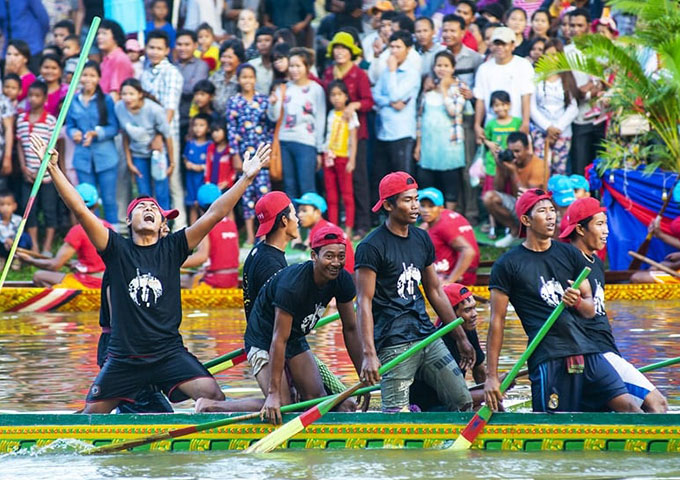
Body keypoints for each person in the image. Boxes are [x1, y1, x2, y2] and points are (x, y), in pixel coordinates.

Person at [30, 131, 272, 413]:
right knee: (88, 418)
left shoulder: (174, 247)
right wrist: (54, 169)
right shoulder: (115, 248)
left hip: (168, 354)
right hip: (124, 359)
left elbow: (214, 214)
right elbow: (81, 210)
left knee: (213, 396)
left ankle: (189, 415)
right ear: (128, 221)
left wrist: (246, 179)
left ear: (161, 226)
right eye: (141, 207)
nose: (148, 209)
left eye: (154, 209)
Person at [484, 188, 641, 413]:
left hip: (587, 351)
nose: (551, 216)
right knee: (552, 427)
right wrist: (491, 377)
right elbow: (496, 322)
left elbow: (589, 309)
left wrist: (576, 302)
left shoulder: (570, 255)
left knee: (629, 407)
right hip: (549, 355)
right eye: (542, 211)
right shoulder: (508, 264)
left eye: (552, 210)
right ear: (526, 220)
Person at [355, 171, 475, 413]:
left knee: (463, 402)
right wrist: (368, 355)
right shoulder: (371, 247)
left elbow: (435, 291)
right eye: (407, 200)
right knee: (396, 416)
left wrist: (460, 337)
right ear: (388, 205)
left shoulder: (421, 238)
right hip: (392, 344)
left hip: (427, 337)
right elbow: (363, 303)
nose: (415, 206)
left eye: (415, 199)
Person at [243, 224, 363, 424]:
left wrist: (362, 377)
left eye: (341, 256)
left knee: (316, 401)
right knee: (282, 406)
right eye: (329, 256)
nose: (336, 263)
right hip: (265, 338)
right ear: (314, 256)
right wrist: (273, 394)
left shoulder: (342, 280)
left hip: (294, 337)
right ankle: (210, 406)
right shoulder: (293, 285)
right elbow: (278, 340)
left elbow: (350, 328)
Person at [560, 197, 668, 412]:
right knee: (658, 403)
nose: (606, 231)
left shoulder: (596, 263)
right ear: (580, 230)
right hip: (595, 353)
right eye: (600, 224)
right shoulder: (567, 261)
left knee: (634, 409)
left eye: (606, 224)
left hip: (607, 351)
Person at [321, 31, 374, 239]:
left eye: (344, 48)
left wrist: (354, 104)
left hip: (355, 134)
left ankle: (362, 223)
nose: (340, 52)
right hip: (333, 136)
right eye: (337, 48)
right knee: (333, 187)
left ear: (352, 52)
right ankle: (335, 224)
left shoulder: (359, 74)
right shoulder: (328, 73)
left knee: (358, 180)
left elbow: (369, 101)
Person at [409, 283, 487, 411]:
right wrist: (493, 392)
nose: (475, 314)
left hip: (455, 398)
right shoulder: (436, 341)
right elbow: (455, 398)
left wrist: (496, 407)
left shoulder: (469, 332)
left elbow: (479, 372)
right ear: (451, 314)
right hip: (429, 406)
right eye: (467, 310)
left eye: (474, 308)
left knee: (482, 406)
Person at [17, 183, 111, 288]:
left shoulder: (78, 231)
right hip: (108, 280)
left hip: (90, 282)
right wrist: (80, 264)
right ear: (96, 205)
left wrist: (30, 260)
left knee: (38, 276)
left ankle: (66, 302)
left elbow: (55, 265)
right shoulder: (108, 226)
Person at [141, 29, 186, 230]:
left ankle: (180, 227)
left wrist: (160, 135)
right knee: (153, 183)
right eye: (151, 47)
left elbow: (169, 109)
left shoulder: (172, 73)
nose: (154, 51)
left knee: (172, 181)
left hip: (167, 136)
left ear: (167, 50)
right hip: (146, 138)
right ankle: (154, 225)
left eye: (159, 48)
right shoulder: (145, 71)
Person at [267, 47, 326, 199]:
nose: (294, 70)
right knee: (289, 186)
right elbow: (274, 117)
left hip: (306, 142)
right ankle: (293, 221)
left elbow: (320, 119)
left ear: (307, 67)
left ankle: (311, 221)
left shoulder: (316, 89)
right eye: (292, 66)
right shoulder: (283, 88)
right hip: (284, 142)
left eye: (298, 66)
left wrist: (319, 149)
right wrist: (272, 104)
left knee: (307, 185)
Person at [66, 61, 120, 225]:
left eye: (92, 75)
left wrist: (97, 133)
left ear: (98, 78)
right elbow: (69, 125)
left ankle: (114, 233)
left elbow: (114, 127)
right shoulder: (73, 100)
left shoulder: (107, 100)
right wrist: (73, 132)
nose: (87, 79)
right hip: (83, 157)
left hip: (106, 157)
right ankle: (90, 236)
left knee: (109, 198)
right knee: (86, 199)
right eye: (84, 75)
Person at [227, 63, 273, 245]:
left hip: (261, 153)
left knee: (263, 193)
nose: (247, 80)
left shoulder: (263, 100)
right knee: (245, 194)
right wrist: (235, 155)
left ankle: (263, 234)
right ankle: (249, 233)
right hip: (245, 154)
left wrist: (269, 153)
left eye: (250, 77)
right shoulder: (234, 101)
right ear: (238, 80)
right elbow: (231, 130)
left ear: (255, 79)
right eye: (243, 77)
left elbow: (269, 128)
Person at [414, 50, 466, 210]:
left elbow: (454, 111)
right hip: (429, 146)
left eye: (446, 65)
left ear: (453, 68)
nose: (442, 69)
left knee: (450, 183)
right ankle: (428, 217)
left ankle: (448, 219)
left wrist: (444, 89)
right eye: (438, 65)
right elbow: (420, 118)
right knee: (426, 181)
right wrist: (418, 144)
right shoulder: (428, 89)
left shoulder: (459, 88)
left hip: (449, 147)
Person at [371, 30, 421, 193]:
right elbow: (376, 95)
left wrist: (392, 72)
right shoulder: (386, 72)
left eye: (398, 47)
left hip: (402, 133)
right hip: (383, 131)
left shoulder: (411, 73)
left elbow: (395, 94)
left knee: (403, 180)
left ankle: (410, 216)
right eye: (391, 46)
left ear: (408, 49)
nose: (393, 51)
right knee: (382, 177)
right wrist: (390, 103)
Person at [115, 78, 174, 210]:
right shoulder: (119, 108)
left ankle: (165, 224)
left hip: (157, 155)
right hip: (137, 155)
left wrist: (171, 163)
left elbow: (167, 136)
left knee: (161, 191)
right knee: (144, 194)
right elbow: (125, 135)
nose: (127, 98)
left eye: (131, 94)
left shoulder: (154, 110)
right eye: (124, 94)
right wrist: (130, 162)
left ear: (140, 94)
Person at [242, 191, 299, 320]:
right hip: (269, 339)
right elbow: (277, 317)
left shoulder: (258, 250)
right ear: (284, 220)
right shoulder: (270, 265)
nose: (297, 220)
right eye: (294, 214)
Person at [483, 131, 546, 248]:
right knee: (489, 198)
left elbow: (529, 198)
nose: (514, 155)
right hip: (516, 204)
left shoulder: (538, 164)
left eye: (517, 151)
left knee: (526, 197)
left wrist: (513, 172)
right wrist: (500, 167)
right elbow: (498, 188)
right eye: (511, 151)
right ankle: (514, 230)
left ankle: (531, 235)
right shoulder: (510, 161)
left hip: (536, 208)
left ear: (527, 148)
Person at [16, 81, 58, 256]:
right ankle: (34, 246)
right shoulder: (21, 119)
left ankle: (47, 247)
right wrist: (24, 167)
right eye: (30, 96)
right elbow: (20, 145)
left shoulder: (49, 120)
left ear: (45, 98)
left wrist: (46, 168)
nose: (33, 99)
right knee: (29, 210)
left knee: (49, 210)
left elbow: (53, 145)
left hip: (46, 175)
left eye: (37, 96)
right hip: (29, 174)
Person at [473, 26, 534, 144]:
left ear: (512, 45)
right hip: (492, 126)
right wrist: (477, 124)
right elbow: (480, 99)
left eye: (504, 44)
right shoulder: (484, 69)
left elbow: (526, 95)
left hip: (516, 123)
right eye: (497, 44)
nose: (500, 48)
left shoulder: (523, 65)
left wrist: (525, 122)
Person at [530, 39, 579, 175]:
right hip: (541, 131)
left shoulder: (567, 78)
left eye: (554, 55)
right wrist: (547, 127)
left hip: (562, 132)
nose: (550, 59)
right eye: (547, 55)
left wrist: (557, 128)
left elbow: (573, 107)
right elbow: (532, 107)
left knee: (559, 170)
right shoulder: (536, 77)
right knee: (541, 170)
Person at [181, 183, 240, 289]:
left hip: (214, 281)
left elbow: (202, 257)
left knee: (181, 280)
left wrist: (175, 262)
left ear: (197, 205)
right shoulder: (231, 223)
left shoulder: (205, 226)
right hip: (233, 280)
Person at [418, 187, 479, 286]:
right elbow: (425, 227)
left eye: (431, 206)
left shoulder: (444, 226)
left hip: (460, 278)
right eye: (423, 206)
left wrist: (450, 281)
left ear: (441, 208)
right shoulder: (440, 217)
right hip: (459, 271)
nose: (426, 210)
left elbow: (468, 251)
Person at [323, 79, 357, 236]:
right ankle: (332, 227)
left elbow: (353, 138)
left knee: (347, 194)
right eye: (333, 95)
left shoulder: (351, 114)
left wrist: (352, 160)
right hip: (329, 157)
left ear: (346, 97)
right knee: (331, 194)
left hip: (344, 158)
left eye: (339, 94)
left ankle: (348, 229)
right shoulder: (330, 114)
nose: (336, 98)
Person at [295, 192, 355, 273]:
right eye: (299, 211)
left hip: (340, 276)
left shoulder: (320, 231)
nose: (300, 215)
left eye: (304, 211)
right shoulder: (323, 226)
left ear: (318, 213)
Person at [176, 29, 210, 152]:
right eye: (179, 44)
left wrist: (175, 87)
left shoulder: (201, 65)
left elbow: (193, 89)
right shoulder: (173, 66)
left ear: (195, 46)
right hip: (174, 120)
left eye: (187, 45)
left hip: (193, 122)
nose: (182, 48)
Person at [183, 114, 211, 225]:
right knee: (192, 206)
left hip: (202, 181)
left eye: (201, 125)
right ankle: (191, 232)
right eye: (195, 125)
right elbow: (185, 158)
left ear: (208, 128)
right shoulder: (190, 143)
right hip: (191, 181)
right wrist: (187, 164)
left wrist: (201, 167)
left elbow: (211, 164)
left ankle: (204, 233)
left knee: (203, 206)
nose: (198, 128)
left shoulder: (209, 145)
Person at [97, 19, 135, 102]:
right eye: (98, 34)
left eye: (104, 33)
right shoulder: (106, 59)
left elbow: (115, 93)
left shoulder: (120, 59)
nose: (99, 37)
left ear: (115, 37)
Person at [210, 38, 245, 115]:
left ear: (239, 59)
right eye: (223, 56)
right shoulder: (215, 76)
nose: (226, 60)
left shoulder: (243, 78)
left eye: (230, 57)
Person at [0, 190, 32, 266]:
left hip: (15, 246)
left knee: (25, 237)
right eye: (2, 205)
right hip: (3, 246)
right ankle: (1, 258)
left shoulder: (18, 219)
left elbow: (19, 233)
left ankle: (17, 258)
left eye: (8, 205)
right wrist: (5, 240)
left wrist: (12, 240)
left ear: (14, 206)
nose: (5, 208)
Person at [204, 121, 236, 192]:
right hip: (211, 187)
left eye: (217, 131)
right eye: (212, 132)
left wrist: (227, 182)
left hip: (226, 187)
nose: (214, 134)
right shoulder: (211, 148)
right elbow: (208, 166)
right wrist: (207, 182)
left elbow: (234, 170)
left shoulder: (230, 149)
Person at [249, 26, 276, 94]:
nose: (263, 44)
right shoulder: (251, 65)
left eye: (267, 40)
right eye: (259, 41)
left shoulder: (279, 64)